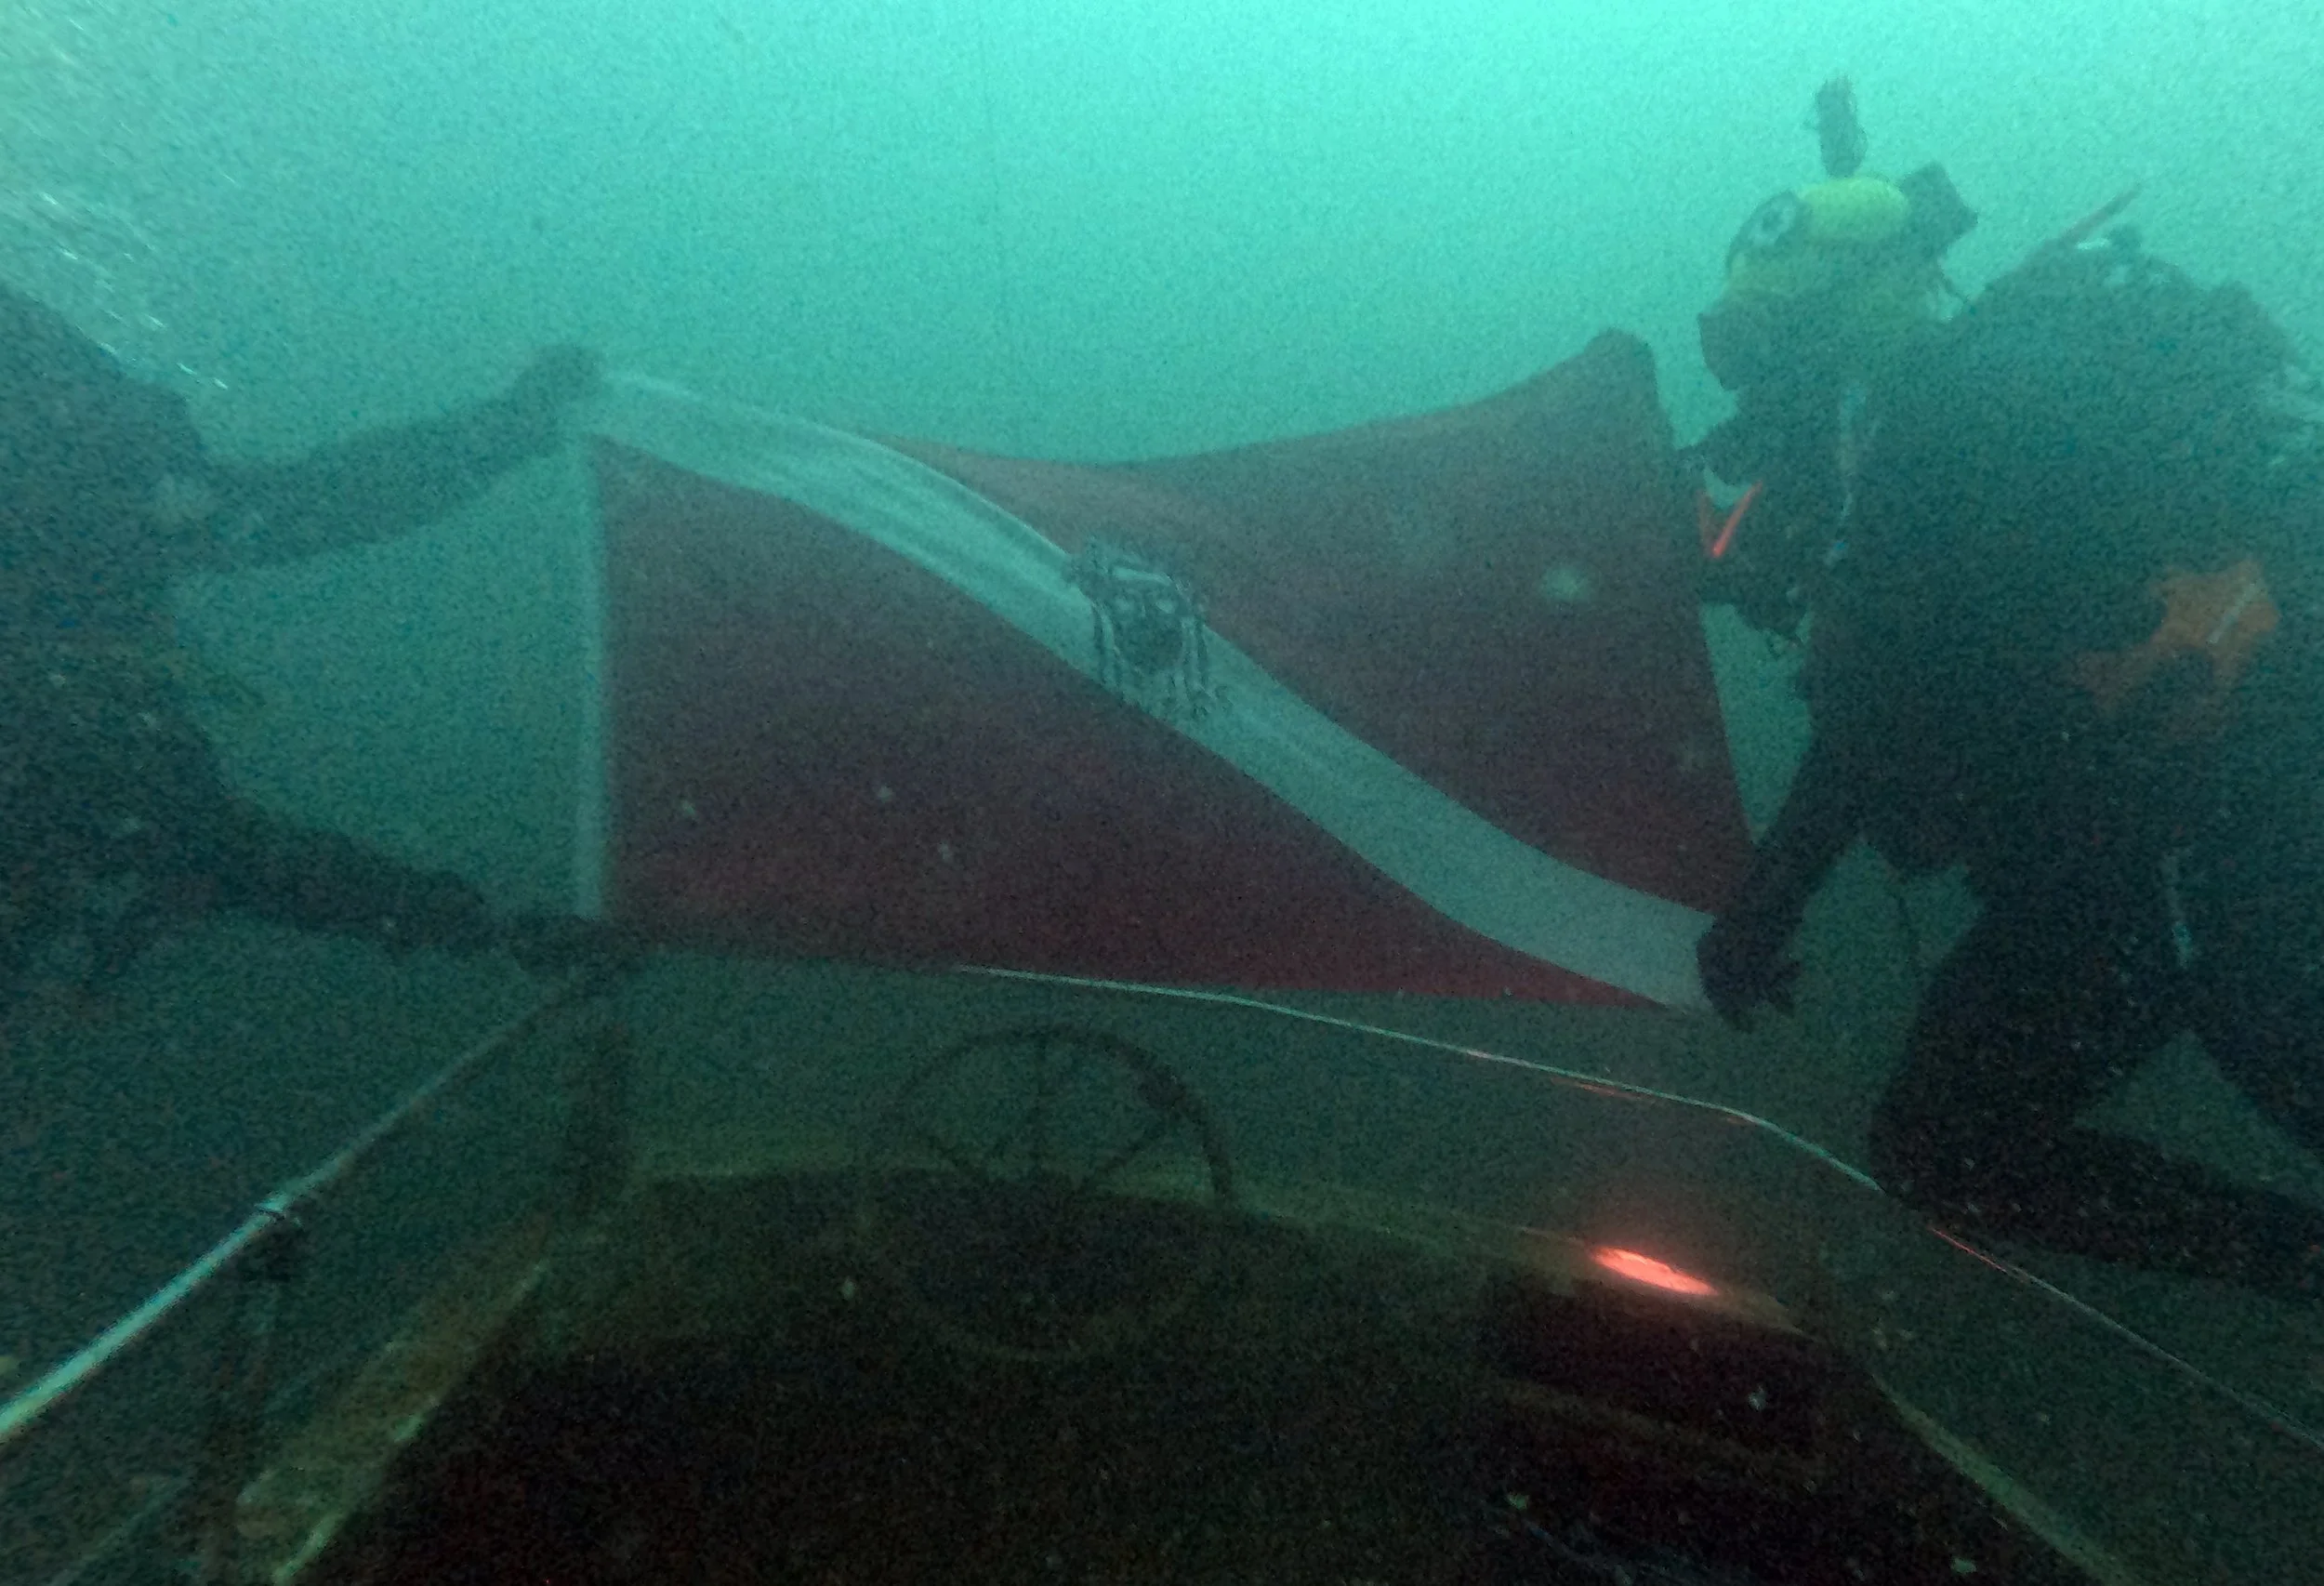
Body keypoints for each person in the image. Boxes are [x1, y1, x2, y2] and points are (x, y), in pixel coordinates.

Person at [1690, 86, 2324, 1302]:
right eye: (1736, 343)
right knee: (1943, 1141)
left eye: (1767, 343)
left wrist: (1766, 904)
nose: (1752, 378)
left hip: (2199, 844)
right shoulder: (1908, 436)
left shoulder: (1966, 425)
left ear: (1855, 310)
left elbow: (1876, 710)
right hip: (2126, 858)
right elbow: (1889, 678)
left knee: (1970, 1135)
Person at [1, 278, 606, 1017]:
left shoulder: (81, 566)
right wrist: (485, 928)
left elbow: (311, 504)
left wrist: (507, 427)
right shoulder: (68, 652)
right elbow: (226, 854)